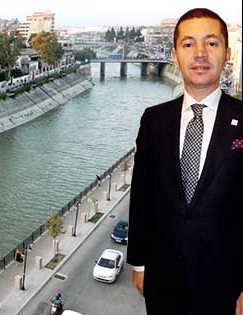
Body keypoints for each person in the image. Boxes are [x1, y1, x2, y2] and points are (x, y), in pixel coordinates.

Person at [127, 8, 243, 315]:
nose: (200, 53)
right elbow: (142, 197)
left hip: (225, 285)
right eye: (189, 44)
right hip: (162, 280)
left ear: (227, 53)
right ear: (176, 55)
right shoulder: (154, 120)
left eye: (212, 43)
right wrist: (138, 262)